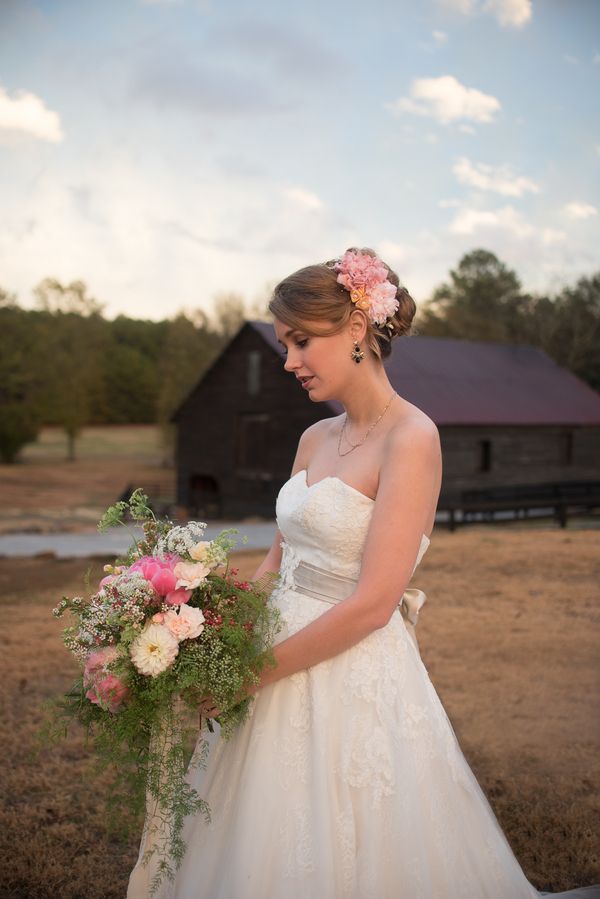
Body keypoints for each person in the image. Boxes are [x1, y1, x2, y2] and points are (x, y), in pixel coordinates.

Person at [128, 248, 599, 899]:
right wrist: (194, 619)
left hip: (349, 670)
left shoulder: (413, 437)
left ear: (355, 329)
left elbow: (376, 602)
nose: (287, 360)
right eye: (285, 344)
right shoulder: (314, 439)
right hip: (266, 656)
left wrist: (246, 679)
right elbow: (277, 560)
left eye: (300, 341)